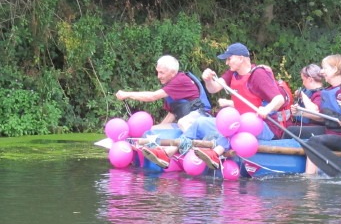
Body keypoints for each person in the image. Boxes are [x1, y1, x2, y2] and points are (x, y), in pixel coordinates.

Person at [141, 43, 285, 170]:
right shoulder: (233, 73)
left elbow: (279, 99)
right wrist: (207, 80)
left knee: (234, 125)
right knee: (199, 122)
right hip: (239, 122)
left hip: (265, 126)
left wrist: (266, 109)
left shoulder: (258, 75)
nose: (227, 62)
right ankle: (167, 153)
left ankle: (215, 154)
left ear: (241, 58)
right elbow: (213, 88)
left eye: (229, 58)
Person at [115, 55, 210, 128]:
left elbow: (152, 96)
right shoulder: (172, 85)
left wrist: (127, 94)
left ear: (173, 73)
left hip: (199, 118)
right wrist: (155, 130)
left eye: (162, 73)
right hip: (189, 120)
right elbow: (172, 114)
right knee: (154, 130)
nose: (158, 76)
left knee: (180, 123)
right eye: (158, 72)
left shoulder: (179, 80)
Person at [285, 64, 326, 139]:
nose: (303, 83)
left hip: (316, 129)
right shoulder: (307, 91)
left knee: (289, 131)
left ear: (310, 79)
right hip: (301, 125)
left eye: (303, 80)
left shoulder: (322, 94)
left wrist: (303, 95)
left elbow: (314, 111)